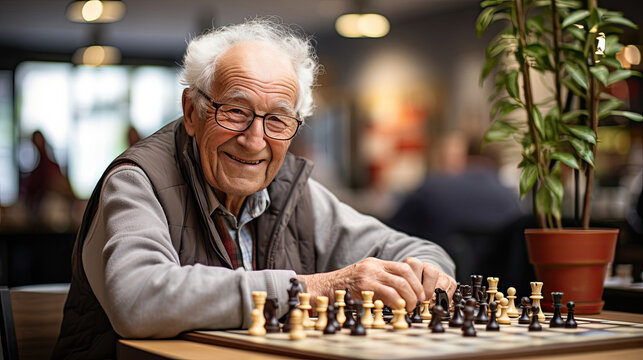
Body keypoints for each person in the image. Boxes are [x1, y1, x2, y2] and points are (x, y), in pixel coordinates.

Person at [53, 19, 455, 359]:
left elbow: (418, 252)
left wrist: (425, 274)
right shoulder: (137, 181)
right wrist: (315, 288)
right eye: (236, 112)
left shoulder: (294, 191)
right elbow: (137, 300)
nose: (254, 140)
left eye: (278, 120)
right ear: (192, 112)